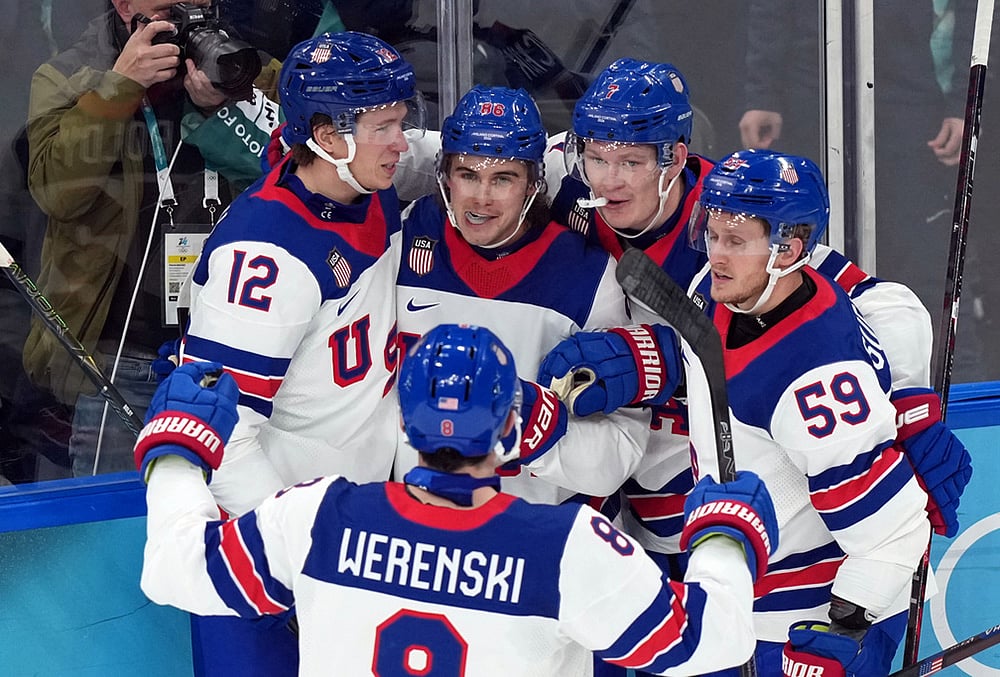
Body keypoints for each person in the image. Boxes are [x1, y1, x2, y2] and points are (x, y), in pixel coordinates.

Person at [137, 323, 781, 676]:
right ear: (510, 427)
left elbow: (176, 568)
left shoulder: (316, 517)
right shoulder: (565, 547)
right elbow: (710, 641)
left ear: (403, 419)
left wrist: (179, 447)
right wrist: (724, 539)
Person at [542, 150, 971, 676]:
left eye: (735, 241)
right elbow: (709, 353)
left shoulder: (817, 383)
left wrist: (844, 629)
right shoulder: (734, 291)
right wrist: (648, 359)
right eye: (712, 234)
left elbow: (893, 534)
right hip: (733, 600)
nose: (715, 256)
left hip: (791, 624)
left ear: (789, 249)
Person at [178, 30, 425, 676]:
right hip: (261, 565)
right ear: (328, 134)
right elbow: (219, 438)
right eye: (386, 125)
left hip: (347, 543)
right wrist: (294, 560)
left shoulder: (367, 184)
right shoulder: (263, 253)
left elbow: (446, 156)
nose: (402, 141)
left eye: (402, 121)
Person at [23, 0, 281, 477]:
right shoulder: (67, 77)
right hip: (117, 360)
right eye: (171, 9)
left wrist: (231, 107)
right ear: (125, 6)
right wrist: (118, 89)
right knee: (111, 533)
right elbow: (56, 192)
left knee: (220, 525)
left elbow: (295, 185)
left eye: (199, 6)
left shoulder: (250, 71)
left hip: (227, 355)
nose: (188, 15)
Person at [395, 83, 645, 505]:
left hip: (533, 535)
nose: (481, 197)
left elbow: (621, 453)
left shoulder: (589, 275)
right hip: (419, 524)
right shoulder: (405, 238)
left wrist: (534, 425)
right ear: (445, 178)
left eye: (503, 178)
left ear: (533, 185)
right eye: (468, 174)